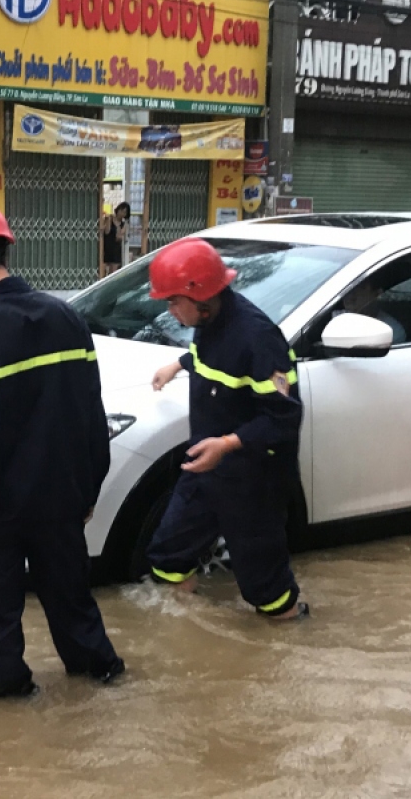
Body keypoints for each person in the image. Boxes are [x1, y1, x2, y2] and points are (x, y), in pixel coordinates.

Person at [0, 197, 124, 698]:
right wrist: (87, 493)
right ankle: (101, 678)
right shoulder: (67, 318)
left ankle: (10, 701)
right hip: (62, 500)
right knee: (72, 601)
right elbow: (91, 418)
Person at [145, 238, 308, 621]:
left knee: (265, 590)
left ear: (200, 298)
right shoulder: (209, 320)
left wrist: (228, 444)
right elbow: (211, 355)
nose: (169, 311)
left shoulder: (259, 338)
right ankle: (191, 635)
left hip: (253, 477)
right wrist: (180, 364)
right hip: (206, 464)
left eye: (172, 302)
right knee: (169, 556)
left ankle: (289, 629)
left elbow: (284, 417)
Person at [340, 281, 407, 345]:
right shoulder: (335, 317)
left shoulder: (392, 331)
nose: (350, 296)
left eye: (360, 288)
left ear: (377, 294)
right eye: (347, 289)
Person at [99, 201, 131, 275]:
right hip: (106, 249)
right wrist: (108, 220)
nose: (122, 213)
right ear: (118, 209)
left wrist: (118, 228)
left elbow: (119, 238)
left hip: (115, 251)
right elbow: (106, 232)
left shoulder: (123, 225)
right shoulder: (110, 219)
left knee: (112, 273)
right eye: (121, 210)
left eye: (124, 212)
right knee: (102, 272)